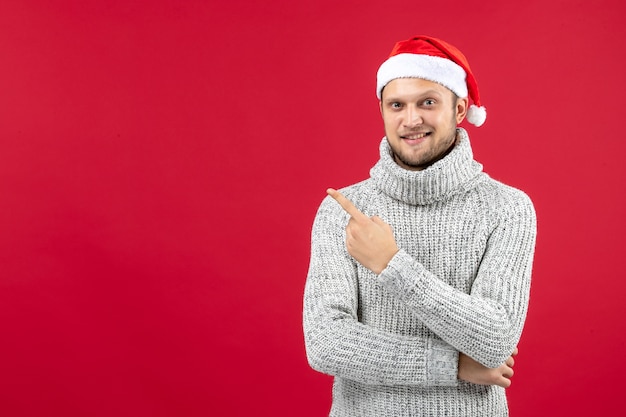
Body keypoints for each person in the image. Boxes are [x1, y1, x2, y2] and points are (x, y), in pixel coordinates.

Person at [302, 35, 537, 417]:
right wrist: (454, 365)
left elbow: (495, 339)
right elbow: (327, 342)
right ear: (382, 110)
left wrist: (391, 263)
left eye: (428, 102)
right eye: (397, 105)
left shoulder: (507, 208)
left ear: (460, 109)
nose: (411, 120)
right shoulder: (343, 211)